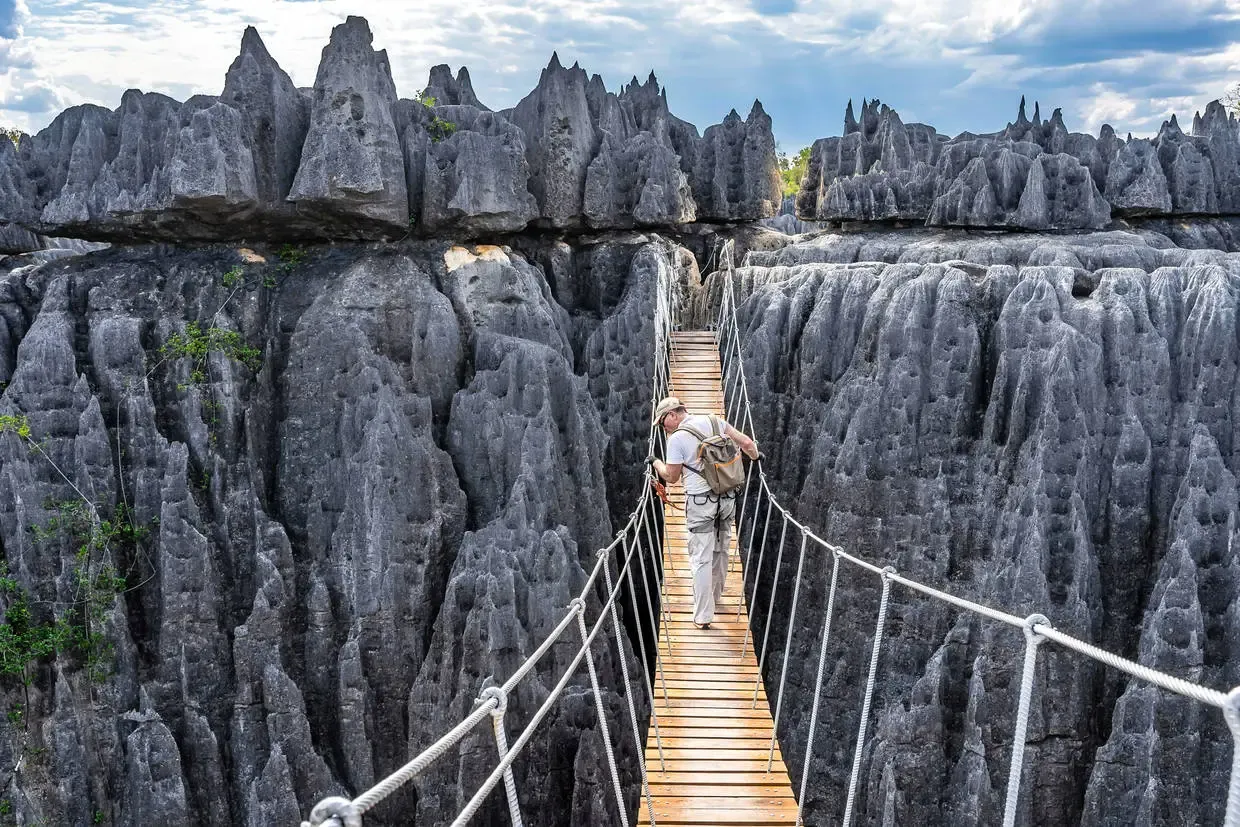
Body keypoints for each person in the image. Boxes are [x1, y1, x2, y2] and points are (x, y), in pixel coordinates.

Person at [648, 396, 759, 629]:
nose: (662, 428)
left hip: (700, 504)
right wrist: (757, 457)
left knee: (701, 557)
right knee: (721, 550)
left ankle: (703, 616)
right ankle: (715, 599)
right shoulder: (715, 421)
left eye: (662, 423)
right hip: (727, 499)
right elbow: (747, 444)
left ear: (673, 415)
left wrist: (656, 463)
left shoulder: (677, 439)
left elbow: (672, 477)